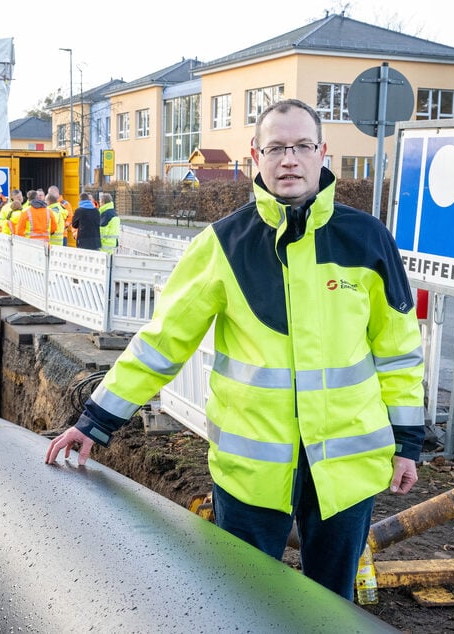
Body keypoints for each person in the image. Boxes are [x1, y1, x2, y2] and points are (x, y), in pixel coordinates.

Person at [45, 99, 425, 601]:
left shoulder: (368, 239)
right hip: (252, 475)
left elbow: (397, 352)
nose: (289, 159)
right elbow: (163, 343)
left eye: (302, 146)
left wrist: (407, 444)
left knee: (334, 608)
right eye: (276, 148)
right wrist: (97, 421)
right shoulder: (221, 245)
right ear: (255, 156)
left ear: (322, 152)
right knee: (243, 606)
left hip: (346, 469)